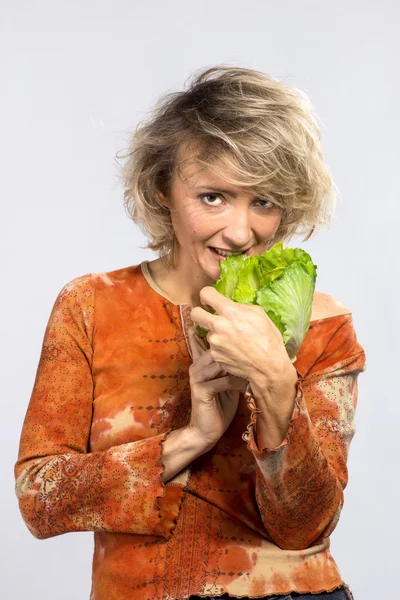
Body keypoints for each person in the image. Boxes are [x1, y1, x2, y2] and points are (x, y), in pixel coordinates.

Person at [14, 66, 366, 600]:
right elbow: (40, 501)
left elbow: (307, 524)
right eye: (213, 197)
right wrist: (190, 439)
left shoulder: (321, 325)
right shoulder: (92, 305)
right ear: (163, 189)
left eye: (264, 201)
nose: (241, 232)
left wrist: (275, 382)